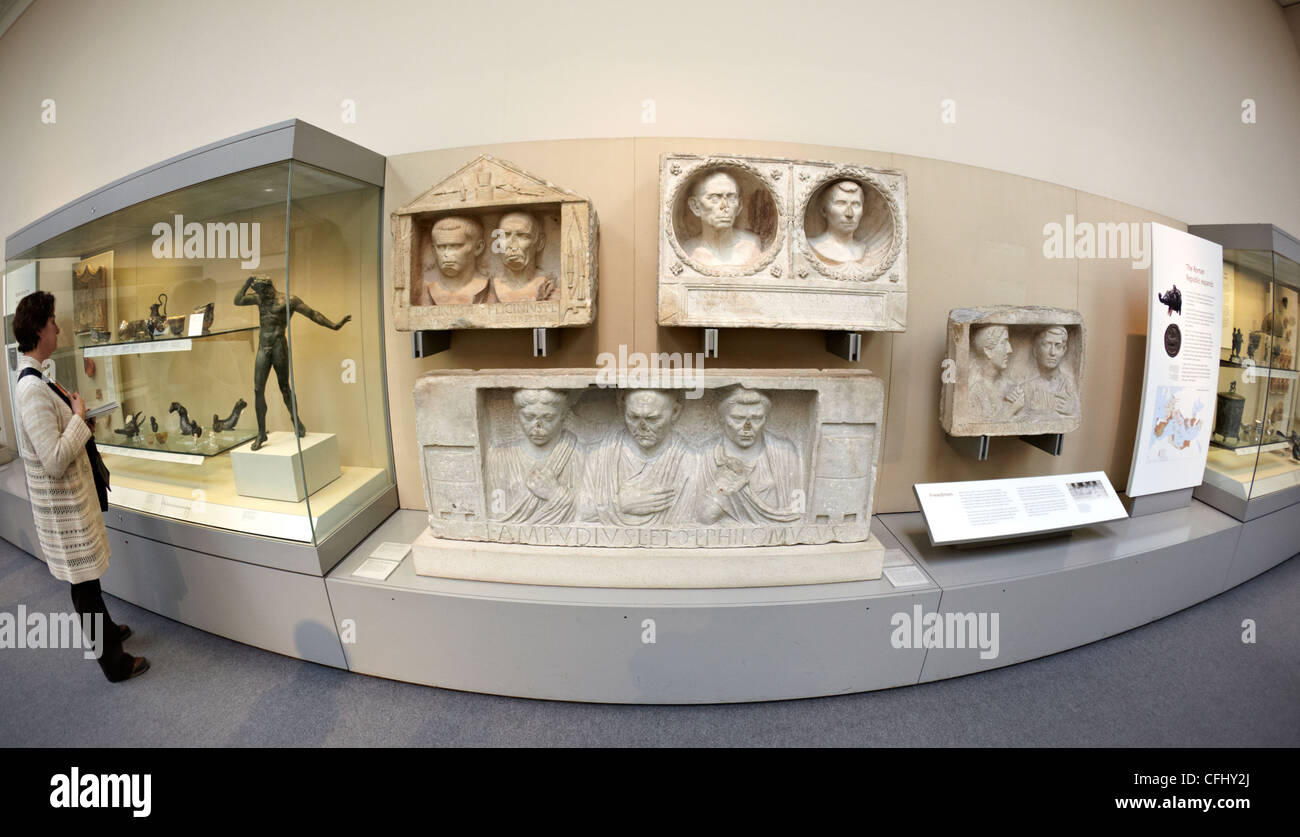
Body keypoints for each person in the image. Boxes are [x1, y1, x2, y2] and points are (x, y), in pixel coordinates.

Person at [12, 290, 148, 682]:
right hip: (63, 511)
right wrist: (78, 418)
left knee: (88, 582)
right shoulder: (31, 390)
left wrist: (77, 420)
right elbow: (54, 460)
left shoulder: (40, 380)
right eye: (52, 322)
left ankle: (106, 632)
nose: (58, 327)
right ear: (39, 330)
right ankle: (115, 664)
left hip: (72, 507)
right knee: (84, 589)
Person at [234, 275, 352, 450]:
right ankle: (261, 433)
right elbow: (238, 301)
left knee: (284, 387)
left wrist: (333, 325)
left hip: (278, 347)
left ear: (268, 288)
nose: (258, 294)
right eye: (256, 291)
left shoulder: (289, 300)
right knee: (258, 389)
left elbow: (313, 314)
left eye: (259, 290)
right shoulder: (260, 299)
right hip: (262, 347)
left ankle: (295, 420)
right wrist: (246, 283)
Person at [580, 389, 701, 526]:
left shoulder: (688, 460)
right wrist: (620, 503)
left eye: (653, 419)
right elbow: (583, 512)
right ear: (621, 409)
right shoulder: (599, 456)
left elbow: (685, 521)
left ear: (675, 412)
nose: (642, 427)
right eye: (634, 417)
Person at [698, 387, 804, 524]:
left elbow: (797, 512)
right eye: (738, 419)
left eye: (756, 419)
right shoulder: (704, 455)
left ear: (766, 418)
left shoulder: (785, 453)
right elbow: (703, 517)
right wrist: (723, 489)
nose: (747, 427)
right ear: (721, 418)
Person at [485, 389, 580, 524]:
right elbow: (496, 513)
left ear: (563, 415)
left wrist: (555, 494)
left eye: (548, 418)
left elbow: (594, 508)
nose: (538, 426)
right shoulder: (499, 457)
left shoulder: (576, 453)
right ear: (517, 415)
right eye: (529, 417)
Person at [680, 171, 761, 267]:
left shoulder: (752, 245)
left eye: (731, 198)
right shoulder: (687, 250)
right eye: (714, 198)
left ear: (739, 206)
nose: (725, 207)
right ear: (695, 206)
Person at [422, 216, 495, 305]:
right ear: (433, 250)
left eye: (456, 246)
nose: (447, 254)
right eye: (441, 247)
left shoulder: (492, 289)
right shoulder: (424, 291)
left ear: (478, 247)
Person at [491, 212, 556, 302]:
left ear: (540, 243)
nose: (513, 246)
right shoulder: (485, 289)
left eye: (523, 236)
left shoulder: (552, 290)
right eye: (505, 236)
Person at [967, 324, 1024, 420]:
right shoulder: (976, 392)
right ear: (988, 351)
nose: (1010, 350)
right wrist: (1010, 410)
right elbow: (979, 428)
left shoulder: (1009, 386)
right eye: (1003, 343)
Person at [1022, 325, 1080, 417]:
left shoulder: (1068, 386)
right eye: (1047, 345)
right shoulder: (1026, 388)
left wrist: (1072, 410)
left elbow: (1075, 415)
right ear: (1035, 350)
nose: (1052, 352)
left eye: (1058, 346)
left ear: (1064, 350)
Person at [808, 180, 868, 263]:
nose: (849, 213)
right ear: (824, 211)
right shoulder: (812, 245)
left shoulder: (865, 250)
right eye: (840, 203)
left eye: (855, 204)